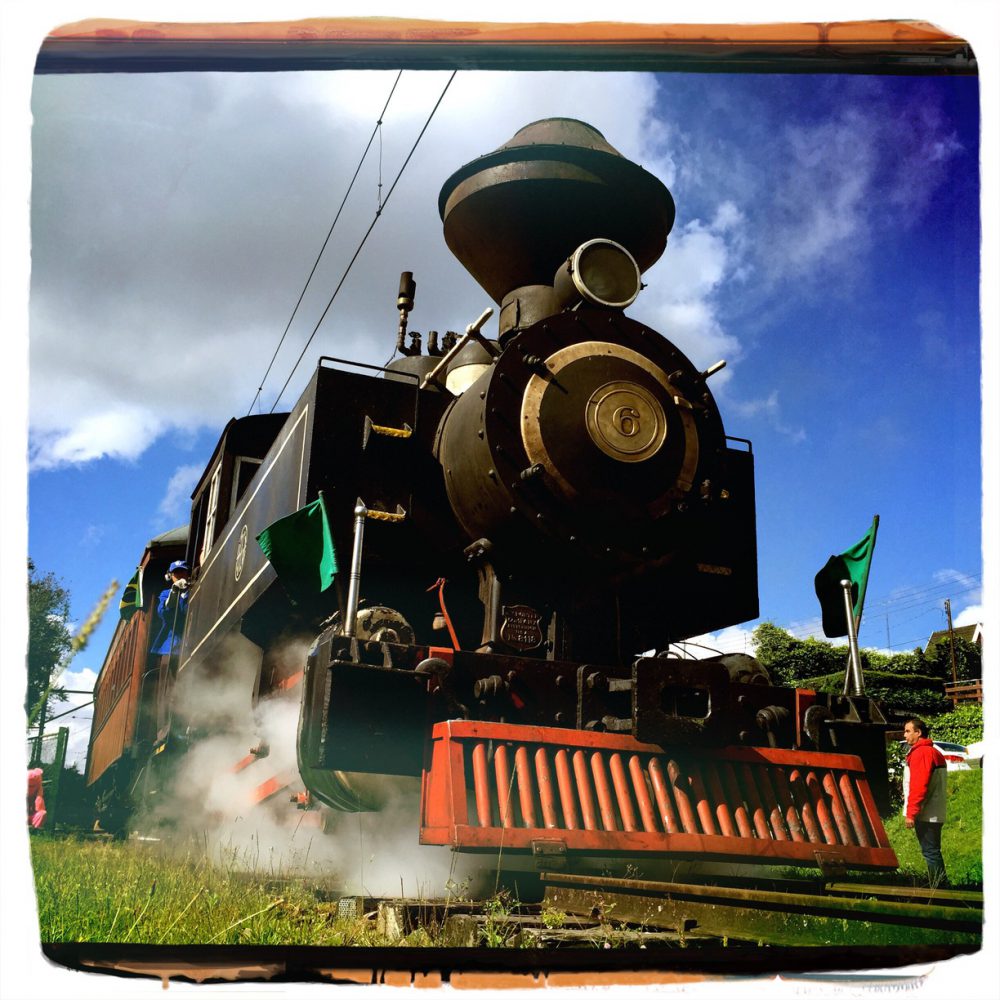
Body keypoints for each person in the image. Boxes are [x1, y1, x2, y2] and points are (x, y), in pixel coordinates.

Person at [902, 716, 948, 886]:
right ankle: (941, 888)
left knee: (931, 852)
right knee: (933, 851)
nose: (905, 735)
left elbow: (919, 786)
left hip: (926, 813)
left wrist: (911, 813)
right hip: (934, 810)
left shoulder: (921, 753)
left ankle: (940, 890)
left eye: (907, 731)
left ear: (918, 732)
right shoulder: (933, 752)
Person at [151, 559, 190, 657]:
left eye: (182, 571)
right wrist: (174, 592)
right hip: (171, 647)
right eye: (176, 572)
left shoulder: (194, 590)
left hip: (191, 641)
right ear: (170, 576)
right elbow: (163, 612)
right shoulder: (165, 594)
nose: (179, 575)